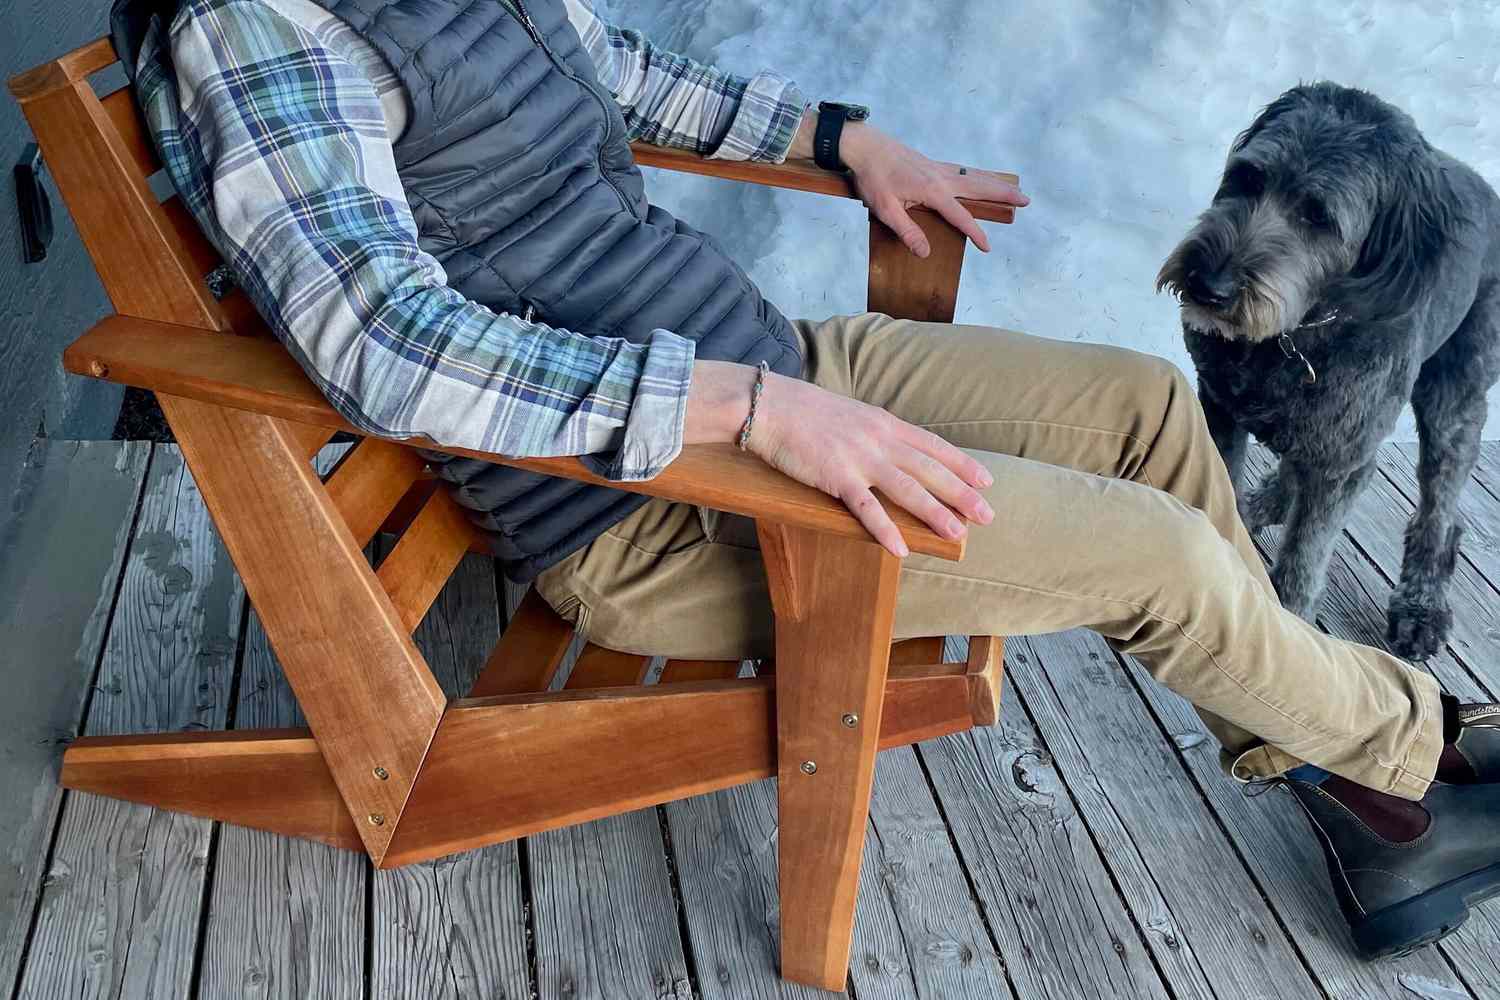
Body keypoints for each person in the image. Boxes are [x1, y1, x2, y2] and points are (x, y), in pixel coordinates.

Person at [111, 0, 1499, 960]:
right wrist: (740, 404)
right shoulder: (261, 30)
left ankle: (1332, 755)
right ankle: (1402, 754)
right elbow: (383, 344)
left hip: (760, 371)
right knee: (1167, 560)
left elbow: (628, 77)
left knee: (1142, 405)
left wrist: (839, 138)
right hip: (645, 507)